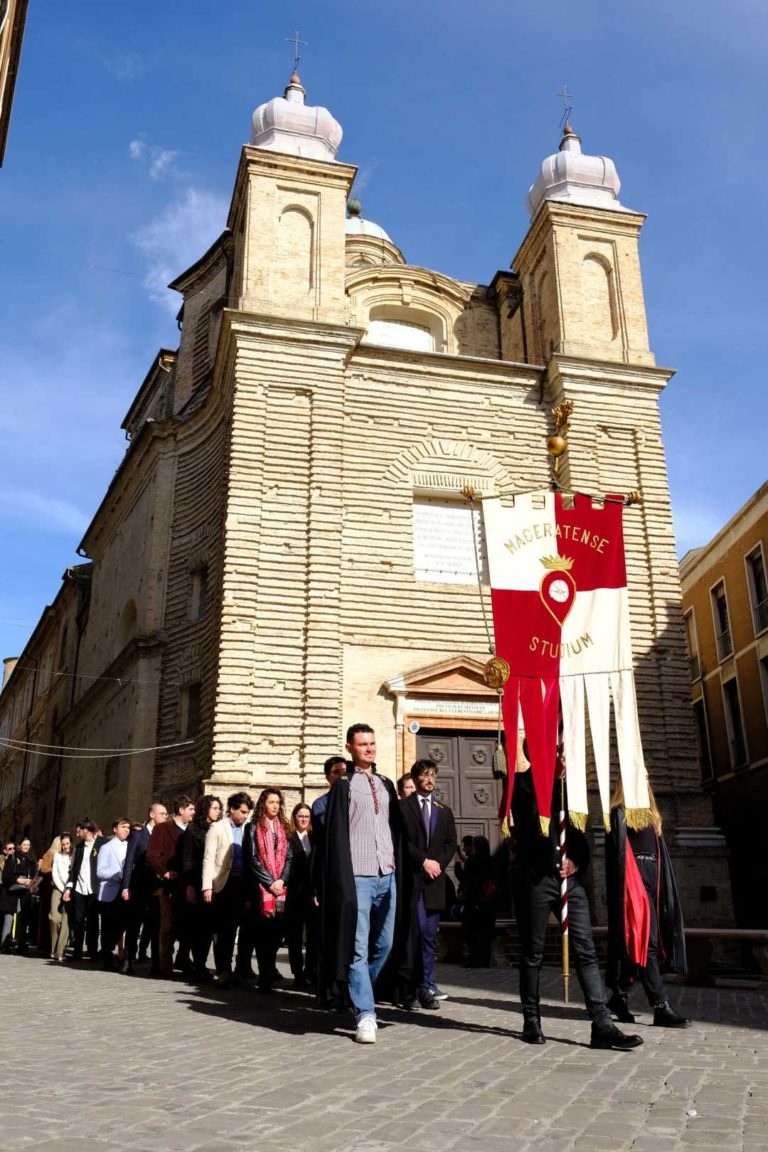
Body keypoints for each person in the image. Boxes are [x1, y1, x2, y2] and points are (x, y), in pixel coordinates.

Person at [511, 752, 642, 1050]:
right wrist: (551, 783)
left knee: (586, 949)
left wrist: (576, 862)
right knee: (533, 953)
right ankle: (531, 1020)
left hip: (569, 881)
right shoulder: (521, 785)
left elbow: (579, 836)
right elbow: (530, 827)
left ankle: (602, 1025)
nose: (563, 756)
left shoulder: (572, 787)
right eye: (557, 750)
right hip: (536, 880)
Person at [319, 723, 403, 1044]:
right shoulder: (343, 786)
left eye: (372, 743)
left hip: (387, 875)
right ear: (350, 748)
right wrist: (341, 881)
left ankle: (354, 990)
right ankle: (366, 1014)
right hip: (358, 877)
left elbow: (395, 828)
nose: (369, 748)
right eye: (362, 744)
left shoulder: (385, 784)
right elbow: (335, 837)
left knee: (385, 944)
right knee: (357, 947)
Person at [605, 780, 690, 1028]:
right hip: (635, 879)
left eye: (644, 778)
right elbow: (618, 853)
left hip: (655, 877)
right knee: (647, 941)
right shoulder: (619, 813)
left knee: (642, 941)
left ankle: (620, 996)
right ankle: (660, 1006)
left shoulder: (653, 815)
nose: (642, 781)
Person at [400, 758, 457, 1008]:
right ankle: (411, 987)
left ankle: (426, 985)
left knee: (429, 935)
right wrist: (423, 861)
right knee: (414, 933)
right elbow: (401, 841)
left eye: (433, 774)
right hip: (411, 880)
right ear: (415, 778)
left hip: (434, 883)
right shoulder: (403, 807)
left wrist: (437, 864)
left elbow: (451, 844)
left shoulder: (444, 811)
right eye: (425, 774)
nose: (430, 779)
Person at [201, 791, 253, 988]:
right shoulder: (217, 828)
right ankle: (223, 970)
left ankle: (239, 969)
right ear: (232, 809)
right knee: (224, 930)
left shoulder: (248, 828)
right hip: (223, 883)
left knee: (241, 928)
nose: (245, 816)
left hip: (243, 883)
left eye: (247, 813)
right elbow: (208, 858)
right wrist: (207, 886)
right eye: (242, 812)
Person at [245, 789, 293, 992]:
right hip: (261, 889)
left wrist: (282, 880)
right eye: (271, 802)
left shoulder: (284, 828)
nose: (275, 806)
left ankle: (270, 968)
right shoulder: (252, 827)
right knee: (263, 932)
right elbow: (252, 859)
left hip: (281, 890)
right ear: (263, 804)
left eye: (278, 802)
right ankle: (264, 974)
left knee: (277, 932)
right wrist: (270, 882)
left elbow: (289, 858)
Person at [146, 795, 195, 978]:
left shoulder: (191, 830)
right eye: (191, 809)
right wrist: (164, 871)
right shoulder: (163, 828)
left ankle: (183, 959)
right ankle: (164, 966)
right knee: (167, 927)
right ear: (181, 810)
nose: (193, 812)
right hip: (170, 886)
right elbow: (152, 854)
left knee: (187, 925)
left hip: (187, 885)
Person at [121, 801, 168, 974]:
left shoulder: (164, 835)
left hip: (156, 887)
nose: (165, 816)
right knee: (134, 925)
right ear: (152, 814)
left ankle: (155, 964)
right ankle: (128, 960)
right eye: (162, 813)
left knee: (155, 925)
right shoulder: (138, 835)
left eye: (166, 814)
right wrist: (125, 886)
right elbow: (129, 862)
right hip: (139, 886)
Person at [181, 794, 222, 981]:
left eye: (219, 808)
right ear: (205, 809)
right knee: (199, 927)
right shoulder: (193, 830)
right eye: (214, 808)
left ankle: (203, 965)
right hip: (197, 882)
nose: (218, 812)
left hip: (215, 883)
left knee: (210, 927)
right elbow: (187, 859)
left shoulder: (219, 828)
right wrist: (189, 885)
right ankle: (198, 966)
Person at [63, 820, 107, 961]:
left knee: (93, 922)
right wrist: (69, 887)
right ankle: (77, 952)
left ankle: (92, 952)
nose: (77, 834)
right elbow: (74, 869)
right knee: (78, 921)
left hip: (94, 889)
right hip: (80, 889)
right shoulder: (79, 847)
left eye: (79, 831)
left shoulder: (102, 843)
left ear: (86, 830)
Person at [285, 803, 317, 990]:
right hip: (294, 893)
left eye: (307, 816)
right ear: (294, 818)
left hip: (312, 894)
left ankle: (310, 971)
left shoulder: (314, 838)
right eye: (300, 816)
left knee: (313, 936)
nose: (304, 819)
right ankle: (298, 974)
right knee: (295, 936)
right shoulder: (289, 838)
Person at [96, 818, 132, 971]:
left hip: (125, 892)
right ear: (115, 829)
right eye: (123, 827)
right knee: (108, 927)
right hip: (110, 892)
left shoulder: (130, 846)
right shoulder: (106, 847)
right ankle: (107, 957)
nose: (127, 830)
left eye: (128, 827)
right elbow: (100, 871)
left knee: (124, 923)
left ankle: (112, 953)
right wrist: (116, 874)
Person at [461, 836, 498, 968]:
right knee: (486, 934)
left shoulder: (474, 862)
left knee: (473, 933)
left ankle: (475, 960)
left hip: (474, 903)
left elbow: (463, 877)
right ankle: (485, 960)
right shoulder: (492, 861)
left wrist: (458, 863)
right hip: (489, 904)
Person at [0, 837, 38, 952]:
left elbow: (34, 876)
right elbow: (5, 876)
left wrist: (31, 882)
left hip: (24, 893)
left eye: (28, 845)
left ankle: (20, 944)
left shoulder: (31, 860)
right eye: (24, 844)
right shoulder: (12, 858)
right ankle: (4, 944)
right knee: (9, 918)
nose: (26, 847)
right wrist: (19, 880)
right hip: (11, 893)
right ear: (19, 845)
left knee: (22, 917)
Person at [49, 832, 73, 962]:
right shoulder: (58, 856)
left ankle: (60, 952)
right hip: (58, 889)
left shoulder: (76, 855)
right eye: (63, 844)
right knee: (54, 918)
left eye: (67, 844)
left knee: (66, 921)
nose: (65, 846)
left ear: (71, 843)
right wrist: (63, 890)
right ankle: (54, 948)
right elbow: (55, 874)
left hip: (72, 891)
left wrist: (69, 889)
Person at [310, 756, 347, 832]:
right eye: (336, 772)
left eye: (344, 771)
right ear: (328, 777)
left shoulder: (356, 799)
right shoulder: (320, 804)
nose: (341, 775)